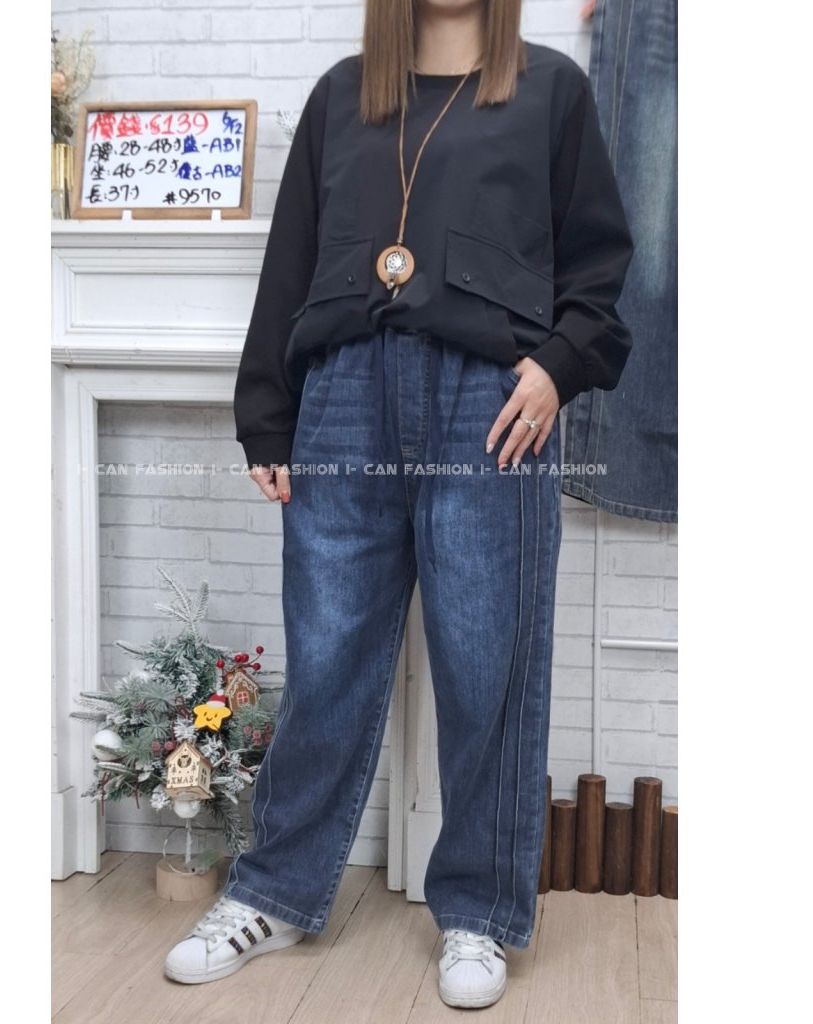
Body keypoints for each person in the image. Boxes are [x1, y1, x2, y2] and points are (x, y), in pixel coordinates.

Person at [164, 0, 633, 1009]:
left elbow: (599, 262)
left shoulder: (550, 90)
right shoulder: (342, 96)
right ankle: (275, 891)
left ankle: (479, 910)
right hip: (342, 400)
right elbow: (289, 262)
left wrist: (558, 366)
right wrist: (268, 415)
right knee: (326, 656)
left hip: (489, 405)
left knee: (487, 663)